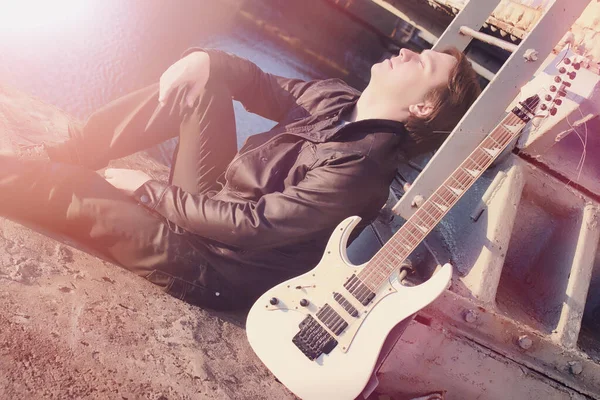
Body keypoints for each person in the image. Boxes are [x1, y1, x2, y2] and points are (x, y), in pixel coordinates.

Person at [0, 47, 480, 310]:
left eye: (422, 62)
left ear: (423, 107)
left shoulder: (361, 170)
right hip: (214, 204)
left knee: (68, 190)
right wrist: (210, 59)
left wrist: (147, 190)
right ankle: (70, 150)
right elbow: (264, 86)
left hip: (216, 264)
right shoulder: (338, 100)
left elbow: (253, 227)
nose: (406, 50)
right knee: (200, 83)